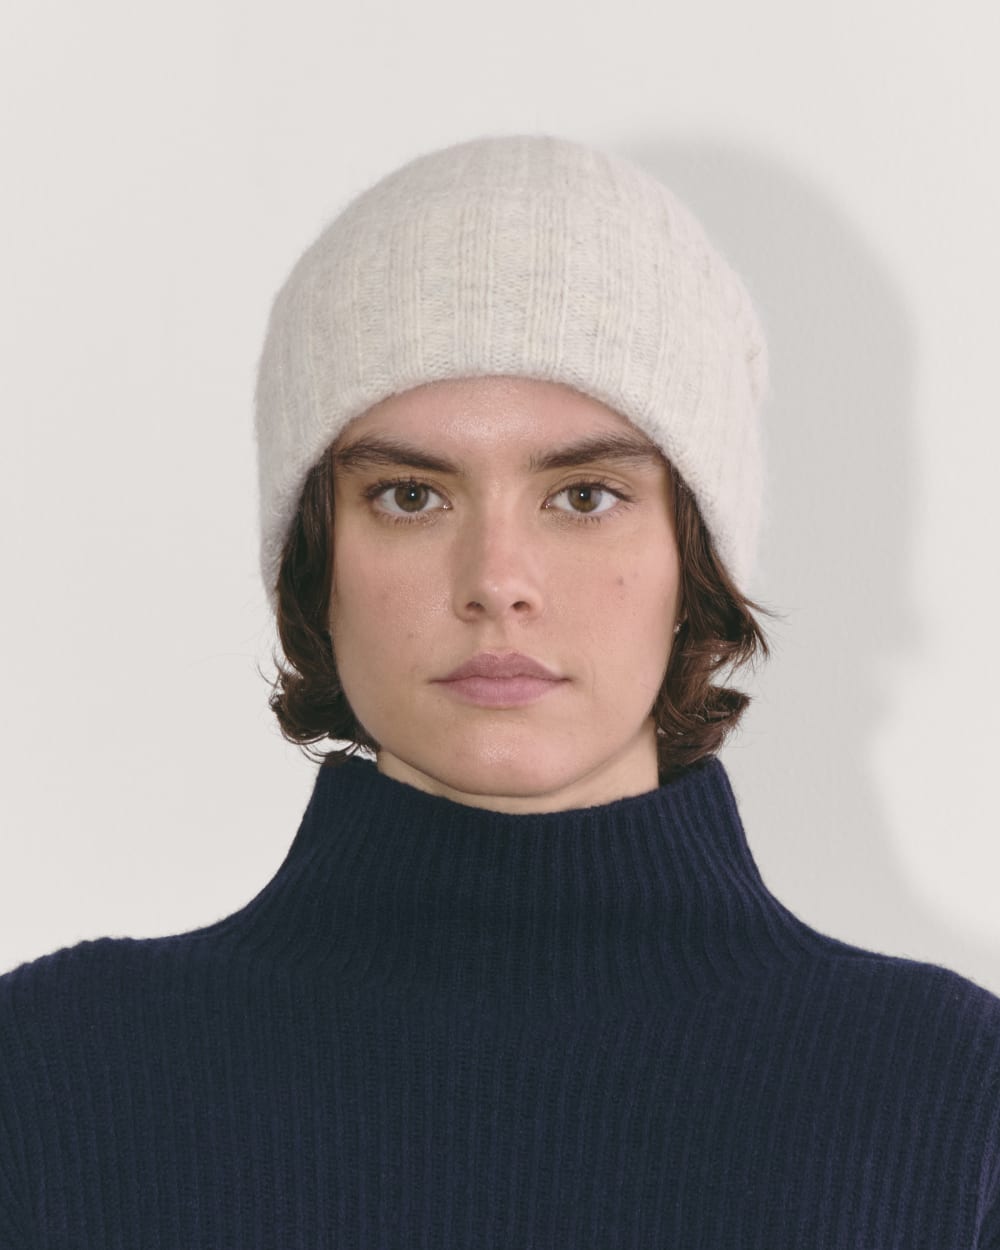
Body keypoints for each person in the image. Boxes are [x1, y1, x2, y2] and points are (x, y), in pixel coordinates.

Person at [1, 133, 999, 1248]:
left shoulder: (950, 1101)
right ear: (315, 561)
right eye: (410, 495)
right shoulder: (52, 1080)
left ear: (696, 557)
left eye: (583, 495)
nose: (496, 581)